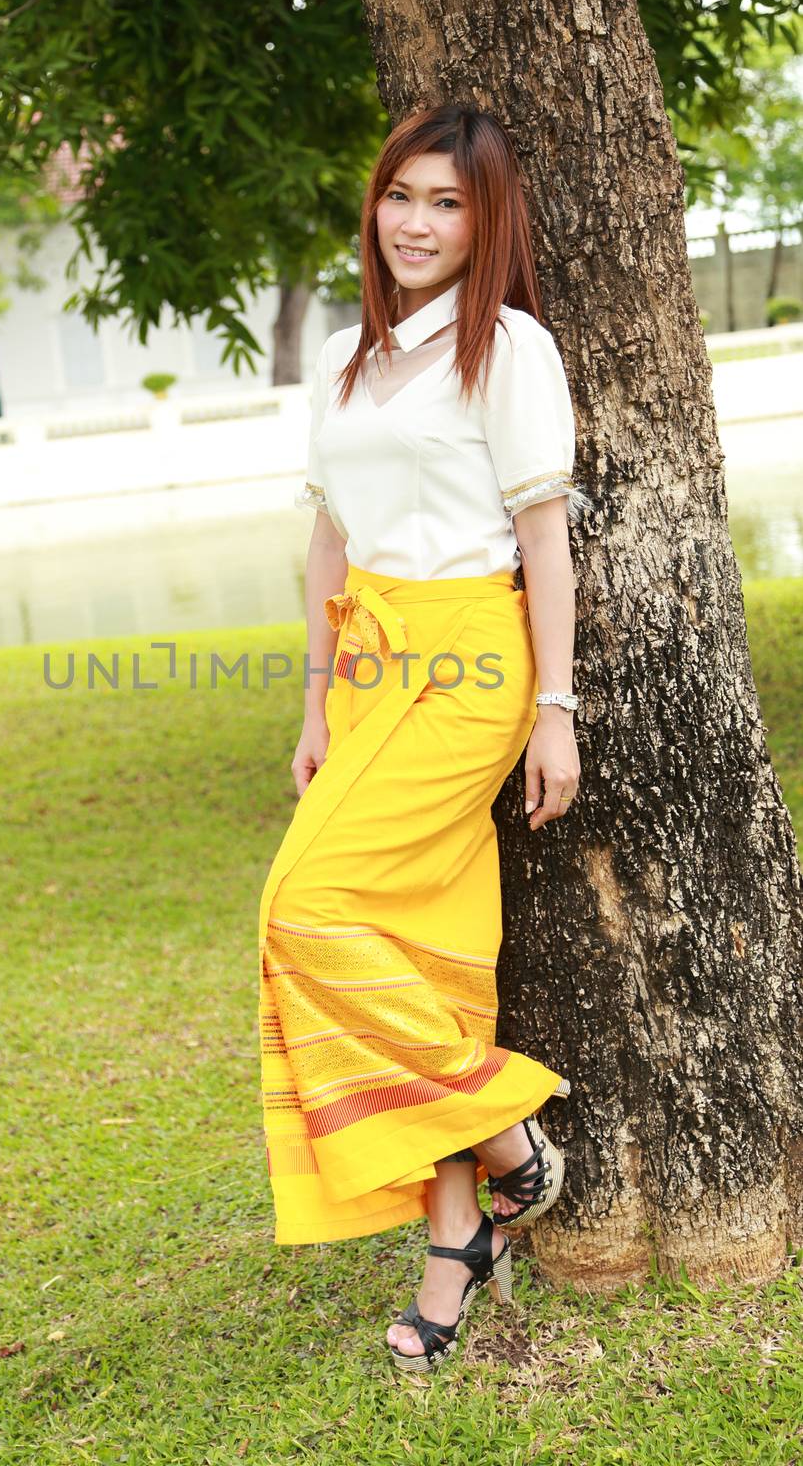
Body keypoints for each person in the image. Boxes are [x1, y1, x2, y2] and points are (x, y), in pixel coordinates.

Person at [257, 103, 593, 1375]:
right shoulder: (349, 355)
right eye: (401, 195)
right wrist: (313, 703)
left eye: (446, 203)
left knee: (303, 908)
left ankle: (509, 1139)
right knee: (409, 948)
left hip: (468, 668)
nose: (415, 222)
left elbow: (542, 533)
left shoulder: (505, 348)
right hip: (371, 664)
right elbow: (327, 540)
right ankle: (460, 1231)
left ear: (482, 220)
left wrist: (551, 707)